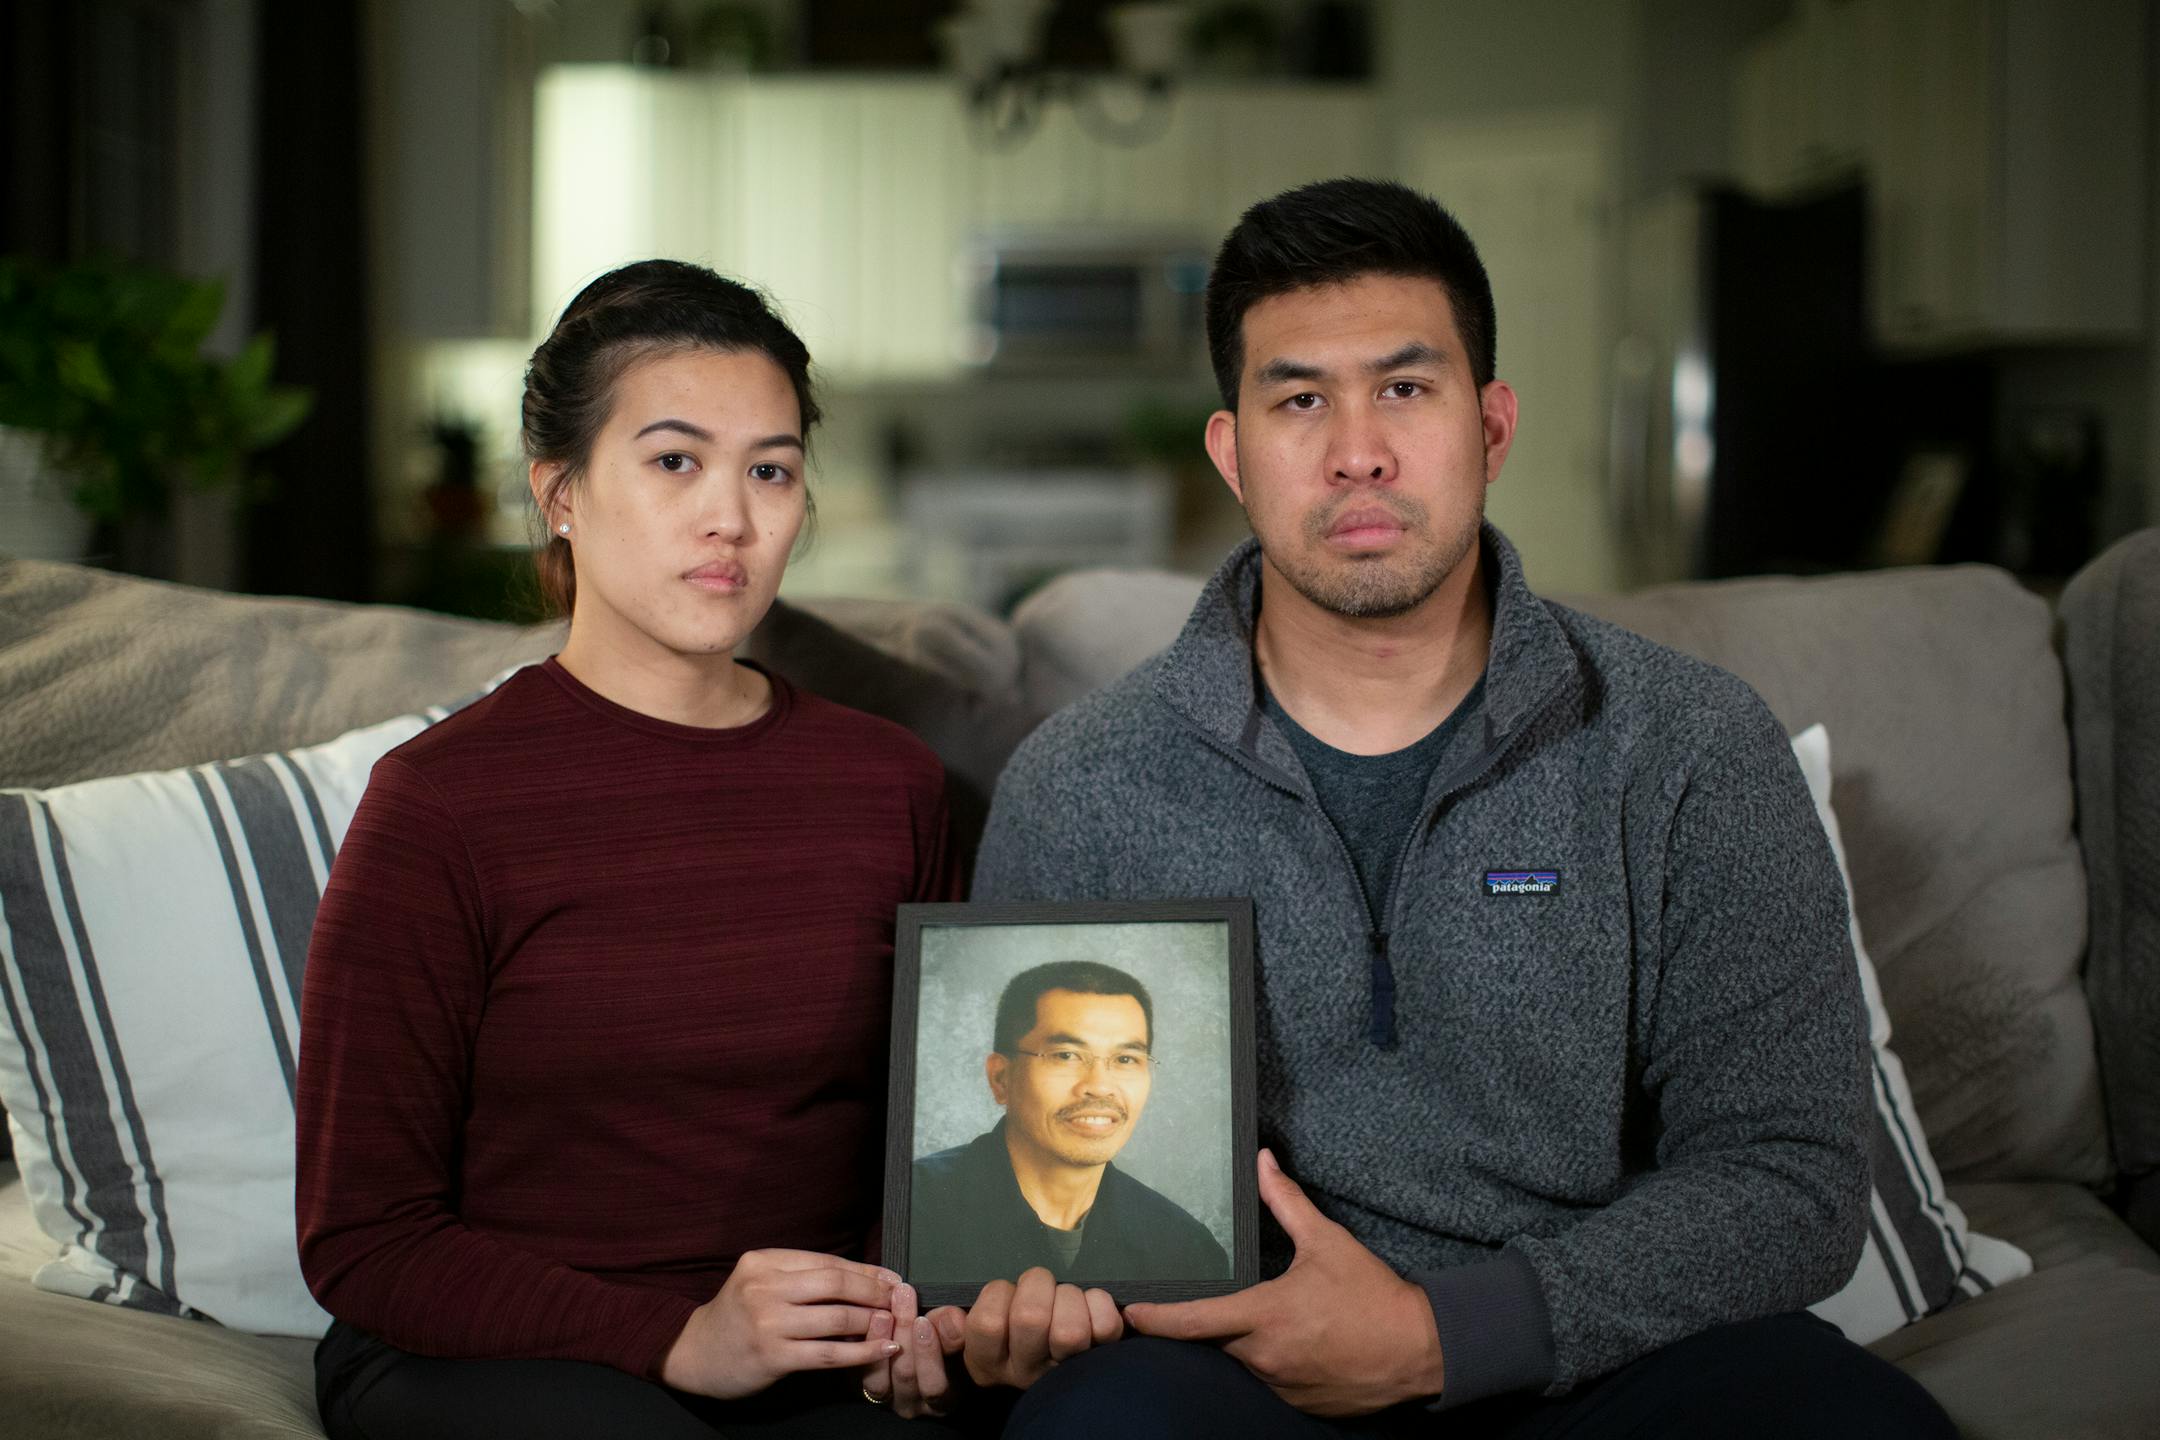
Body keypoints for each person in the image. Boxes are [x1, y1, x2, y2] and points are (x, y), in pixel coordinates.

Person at [968, 180, 1960, 1437]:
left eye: (1405, 387)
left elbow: (1795, 1179)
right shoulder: (1081, 783)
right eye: (1299, 399)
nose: (1358, 449)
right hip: (1232, 1373)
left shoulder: (1691, 744)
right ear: (1232, 453)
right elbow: (1018, 1201)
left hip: (1588, 1355)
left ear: (1490, 427)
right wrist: (1006, 1319)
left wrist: (1448, 1335)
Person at [295, 260, 978, 1437]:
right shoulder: (439, 806)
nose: (733, 517)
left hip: (805, 1351)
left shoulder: (893, 785)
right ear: (559, 491)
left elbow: (941, 1142)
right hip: (492, 1353)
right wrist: (674, 1339)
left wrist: (906, 1320)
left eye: (771, 469)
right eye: (675, 461)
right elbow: (364, 1237)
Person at [910, 961, 1231, 1284]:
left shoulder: (1186, 1248)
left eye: (1125, 1059)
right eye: (1066, 1055)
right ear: (1001, 1078)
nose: (1100, 1085)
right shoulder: (911, 1210)